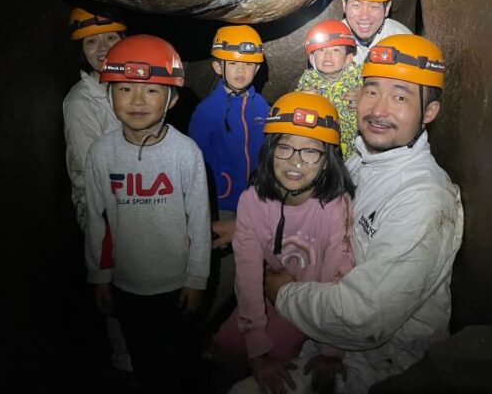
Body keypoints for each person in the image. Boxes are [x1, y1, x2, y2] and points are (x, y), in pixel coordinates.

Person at [232, 34, 464, 394]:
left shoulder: (423, 200)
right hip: (325, 334)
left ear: (429, 112)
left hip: (382, 361)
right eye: (371, 91)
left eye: (400, 96)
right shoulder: (360, 161)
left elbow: (364, 317)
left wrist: (284, 294)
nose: (378, 109)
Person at [84, 34, 211, 393]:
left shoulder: (186, 153)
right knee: (144, 363)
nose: (137, 100)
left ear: (172, 98)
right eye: (124, 89)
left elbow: (199, 222)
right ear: (108, 93)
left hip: (176, 284)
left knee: (183, 363)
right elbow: (96, 220)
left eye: (152, 90)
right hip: (127, 285)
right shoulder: (100, 153)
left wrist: (196, 279)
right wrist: (99, 276)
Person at [210, 92, 355, 394]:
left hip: (309, 306)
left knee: (280, 360)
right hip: (265, 296)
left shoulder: (335, 207)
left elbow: (337, 276)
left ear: (328, 160)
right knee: (224, 346)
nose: (295, 161)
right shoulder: (252, 201)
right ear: (270, 151)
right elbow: (247, 276)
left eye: (310, 152)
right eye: (285, 147)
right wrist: (257, 349)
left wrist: (330, 349)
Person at [61, 6, 135, 382]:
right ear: (81, 49)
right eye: (92, 41)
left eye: (110, 38)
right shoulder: (82, 102)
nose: (103, 47)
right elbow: (85, 179)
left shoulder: (133, 86)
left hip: (145, 210)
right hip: (107, 216)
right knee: (121, 320)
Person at [189, 25, 270, 322]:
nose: (240, 70)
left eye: (248, 64)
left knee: (249, 273)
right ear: (217, 66)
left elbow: (268, 157)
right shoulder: (206, 112)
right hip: (221, 207)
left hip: (255, 204)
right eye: (232, 63)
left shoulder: (262, 106)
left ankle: (235, 335)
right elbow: (194, 165)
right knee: (221, 276)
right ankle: (202, 334)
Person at [295, 19, 361, 159]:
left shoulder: (360, 78)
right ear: (312, 58)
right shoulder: (308, 81)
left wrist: (366, 96)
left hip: (356, 151)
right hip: (322, 149)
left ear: (349, 58)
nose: (327, 55)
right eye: (321, 50)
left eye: (336, 50)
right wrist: (302, 101)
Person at [340, 0, 411, 65]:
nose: (364, 16)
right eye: (356, 5)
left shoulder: (403, 42)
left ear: (387, 8)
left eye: (374, 7)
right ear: (344, 5)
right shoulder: (331, 43)